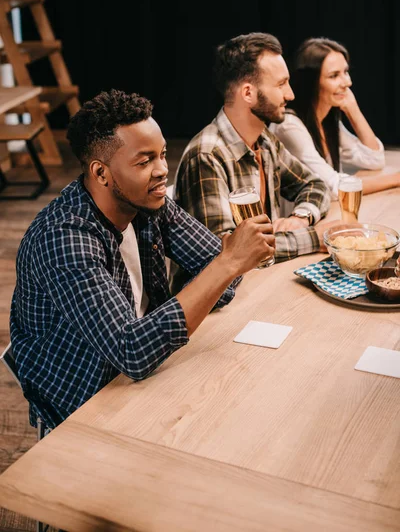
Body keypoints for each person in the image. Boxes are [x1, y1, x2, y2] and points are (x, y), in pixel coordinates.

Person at [10, 89, 275, 430]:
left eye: (162, 155)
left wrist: (225, 265)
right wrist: (227, 263)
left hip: (146, 378)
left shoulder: (148, 203)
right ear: (101, 173)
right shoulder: (64, 240)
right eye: (144, 161)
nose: (163, 170)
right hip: (80, 408)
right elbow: (132, 350)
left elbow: (223, 281)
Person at [173, 32, 339, 275]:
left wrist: (301, 218)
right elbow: (225, 252)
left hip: (261, 281)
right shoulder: (206, 155)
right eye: (281, 84)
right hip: (222, 306)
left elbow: (315, 185)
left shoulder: (265, 141)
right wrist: (314, 238)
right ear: (248, 93)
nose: (290, 94)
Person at [270, 37, 400, 199]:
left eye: (345, 72)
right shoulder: (289, 126)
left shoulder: (327, 120)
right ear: (312, 82)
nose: (347, 82)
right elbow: (332, 187)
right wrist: (395, 179)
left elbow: (374, 159)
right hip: (300, 219)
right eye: (334, 76)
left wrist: (353, 110)